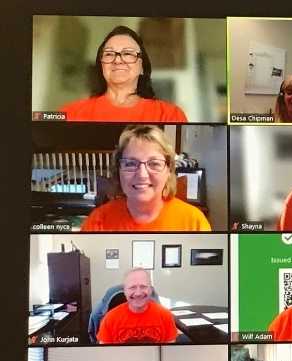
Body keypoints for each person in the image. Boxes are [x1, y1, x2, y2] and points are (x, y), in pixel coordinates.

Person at [81, 125, 211, 231]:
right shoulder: (98, 221)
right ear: (118, 171)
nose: (142, 175)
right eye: (131, 163)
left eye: (154, 163)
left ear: (169, 170)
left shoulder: (194, 223)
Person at [61, 26, 187, 122]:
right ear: (101, 67)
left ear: (142, 67)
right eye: (109, 54)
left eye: (127, 53)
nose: (117, 60)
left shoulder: (170, 115)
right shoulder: (70, 113)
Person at [97, 268, 177, 344]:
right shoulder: (109, 319)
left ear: (150, 290)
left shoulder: (166, 316)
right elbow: (104, 354)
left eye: (143, 287)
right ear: (124, 291)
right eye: (132, 287)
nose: (138, 293)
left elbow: (169, 353)